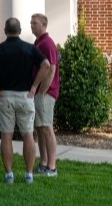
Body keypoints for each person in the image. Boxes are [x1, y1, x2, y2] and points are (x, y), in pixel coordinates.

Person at [0, 17, 52, 184]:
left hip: (5, 95)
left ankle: (9, 174)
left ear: (5, 31)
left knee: (6, 136)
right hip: (26, 96)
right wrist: (34, 87)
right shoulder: (29, 48)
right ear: (19, 31)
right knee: (28, 136)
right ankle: (29, 174)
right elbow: (46, 65)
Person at [31, 13, 61, 177]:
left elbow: (51, 69)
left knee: (47, 128)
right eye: (31, 22)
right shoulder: (39, 42)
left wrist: (42, 91)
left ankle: (52, 166)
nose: (32, 25)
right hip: (40, 93)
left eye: (35, 23)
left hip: (46, 93)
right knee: (40, 128)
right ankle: (43, 163)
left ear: (43, 25)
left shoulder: (47, 44)